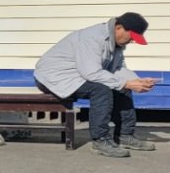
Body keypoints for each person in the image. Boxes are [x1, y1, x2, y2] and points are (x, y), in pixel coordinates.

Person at [34, 12, 157, 159]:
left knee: (122, 86)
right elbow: (91, 73)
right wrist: (125, 83)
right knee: (101, 90)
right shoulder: (92, 38)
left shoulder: (116, 44)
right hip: (54, 77)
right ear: (118, 28)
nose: (131, 41)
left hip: (78, 75)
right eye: (131, 37)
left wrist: (136, 81)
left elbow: (117, 69)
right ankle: (100, 140)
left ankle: (125, 135)